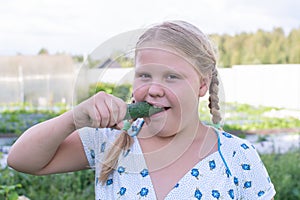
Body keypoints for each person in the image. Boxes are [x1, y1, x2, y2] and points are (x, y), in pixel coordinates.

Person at [7, 20, 276, 200]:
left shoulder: (237, 157)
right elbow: (21, 160)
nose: (155, 89)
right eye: (144, 75)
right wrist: (73, 119)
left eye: (172, 77)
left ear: (202, 84)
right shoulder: (109, 141)